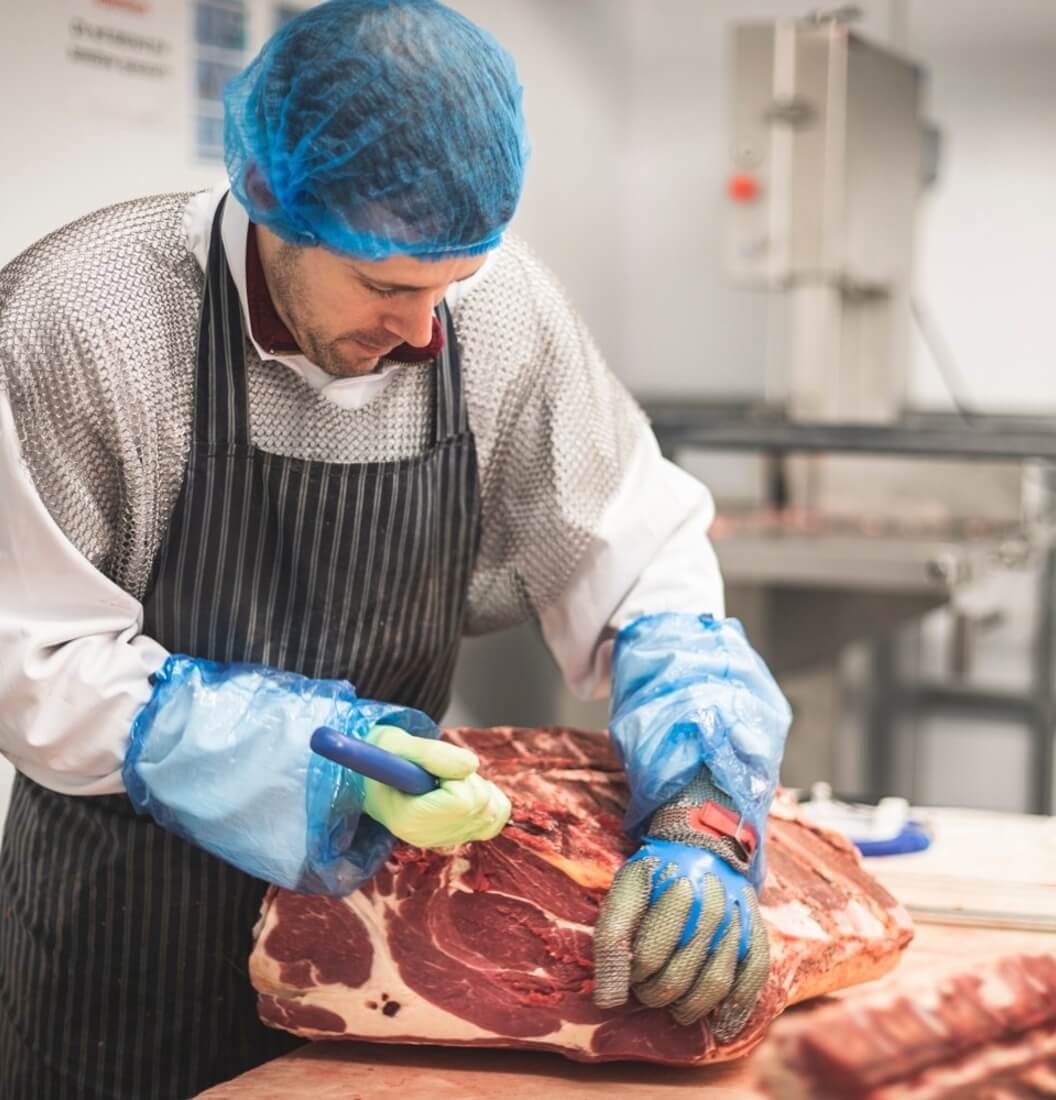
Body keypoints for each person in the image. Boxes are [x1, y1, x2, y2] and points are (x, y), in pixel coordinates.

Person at [0, 1, 791, 1096]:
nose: (426, 332)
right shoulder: (82, 320)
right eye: (386, 288)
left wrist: (698, 806)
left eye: (449, 285)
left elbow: (637, 559)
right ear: (274, 207)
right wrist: (312, 750)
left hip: (390, 951)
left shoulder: (502, 312)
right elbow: (32, 663)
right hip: (124, 940)